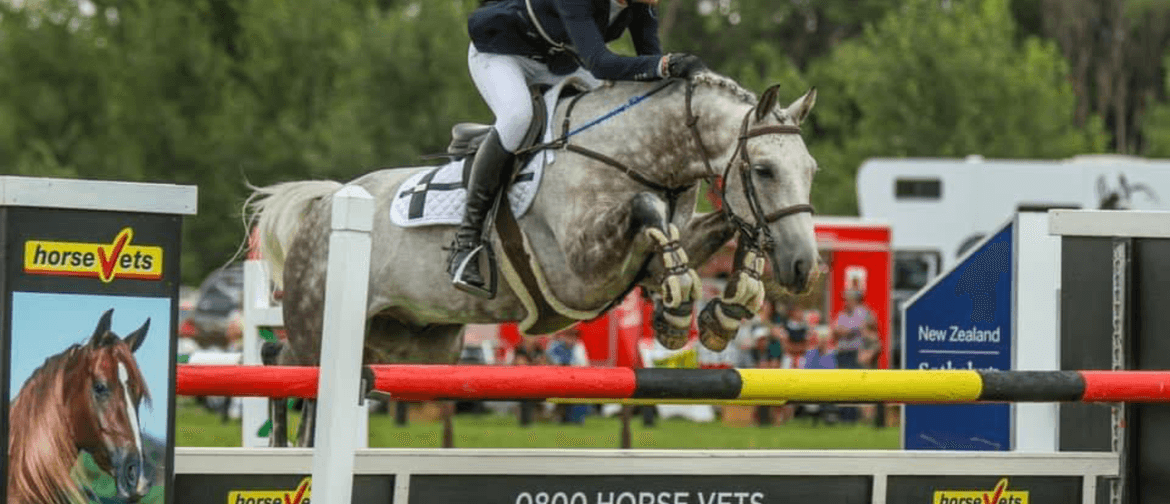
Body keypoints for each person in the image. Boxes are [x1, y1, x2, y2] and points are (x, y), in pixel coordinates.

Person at [449, 0, 708, 297]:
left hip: (559, 63)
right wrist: (666, 65)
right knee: (518, 117)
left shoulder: (643, 5)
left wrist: (680, 79)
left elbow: (650, 66)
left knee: (618, 108)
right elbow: (601, 63)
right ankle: (466, 243)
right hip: (501, 54)